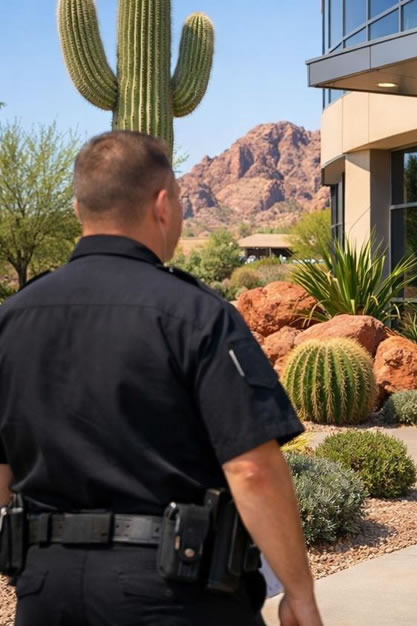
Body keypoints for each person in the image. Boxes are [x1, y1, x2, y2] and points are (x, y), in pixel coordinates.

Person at [0, 131, 321, 625]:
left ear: (77, 209)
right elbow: (252, 469)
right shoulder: (196, 315)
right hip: (174, 592)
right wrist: (299, 592)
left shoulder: (12, 320)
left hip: (48, 592)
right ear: (163, 204)